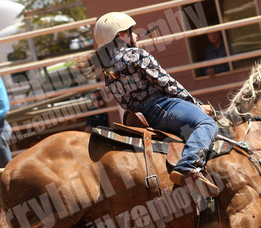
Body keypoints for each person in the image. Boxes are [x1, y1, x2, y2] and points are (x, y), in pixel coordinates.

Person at [92, 12, 219, 196]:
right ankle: (187, 166)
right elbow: (167, 83)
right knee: (207, 124)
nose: (135, 35)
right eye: (131, 31)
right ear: (121, 35)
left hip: (141, 118)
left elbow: (122, 101)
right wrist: (196, 104)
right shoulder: (137, 55)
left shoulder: (107, 70)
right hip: (161, 108)